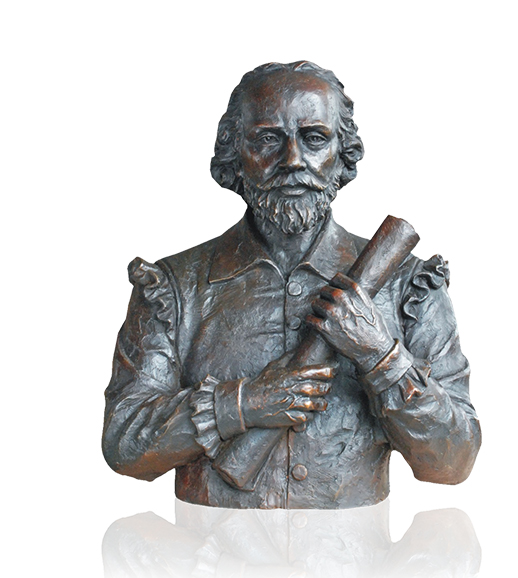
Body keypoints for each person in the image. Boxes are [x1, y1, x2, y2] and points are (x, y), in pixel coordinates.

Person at [102, 61, 481, 509]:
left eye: (314, 138)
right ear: (235, 154)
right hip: (209, 547)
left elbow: (453, 462)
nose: (293, 161)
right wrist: (241, 405)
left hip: (356, 548)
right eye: (267, 139)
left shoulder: (408, 287)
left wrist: (380, 356)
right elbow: (125, 445)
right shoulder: (175, 289)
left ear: (343, 153)